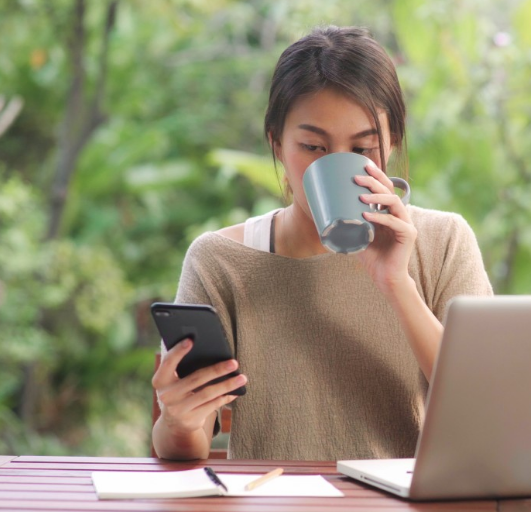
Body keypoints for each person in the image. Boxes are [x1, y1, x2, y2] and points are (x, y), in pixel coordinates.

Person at [151, 26, 493, 461]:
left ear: (392, 143)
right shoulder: (222, 261)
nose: (336, 167)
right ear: (276, 144)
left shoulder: (444, 243)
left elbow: (483, 407)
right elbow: (183, 444)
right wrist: (178, 421)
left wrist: (397, 283)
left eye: (364, 148)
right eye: (313, 146)